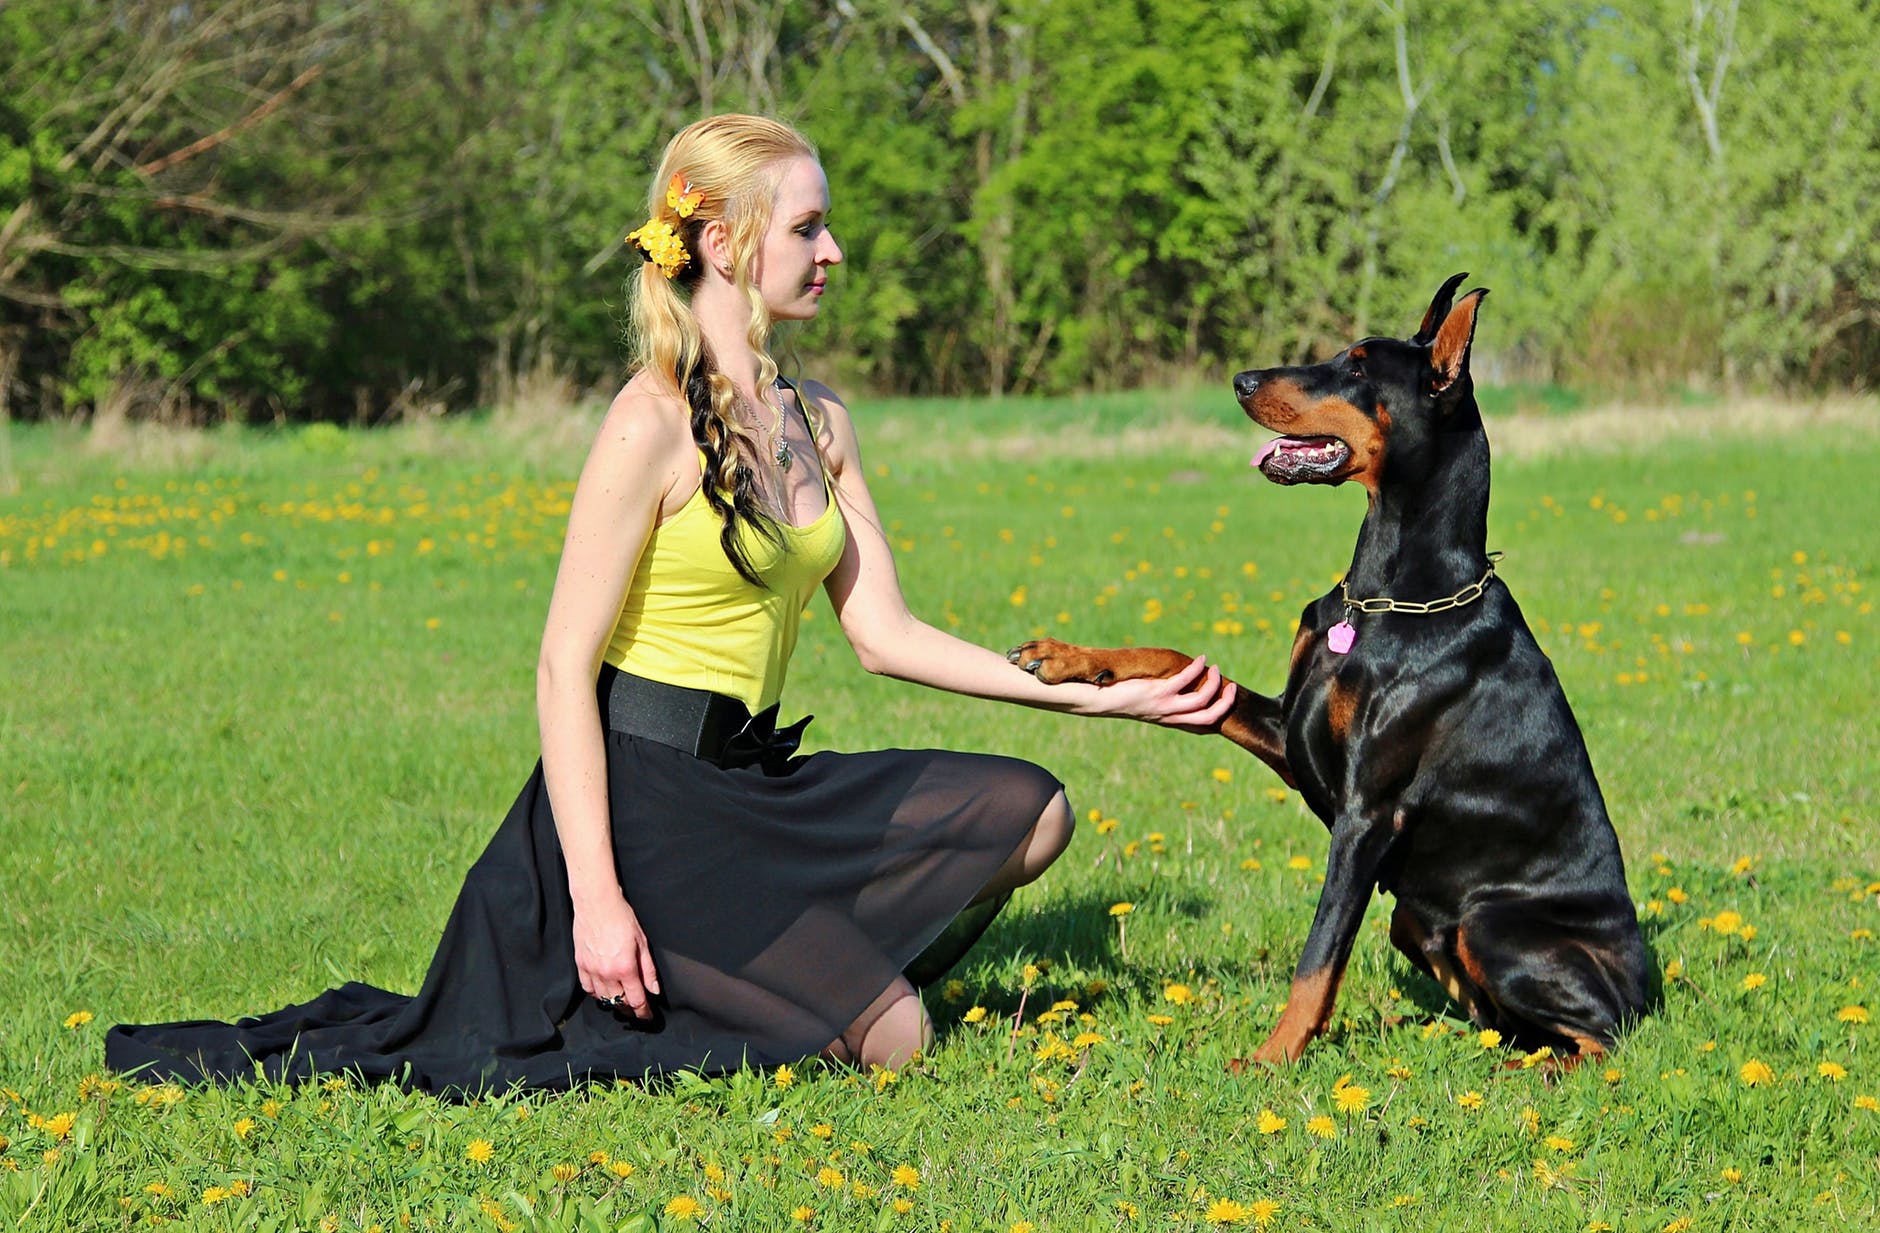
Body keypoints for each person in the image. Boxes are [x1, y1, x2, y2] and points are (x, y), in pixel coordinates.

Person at [105, 114, 1234, 1097]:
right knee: (895, 1040)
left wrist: (1096, 703)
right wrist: (595, 899)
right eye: (806, 229)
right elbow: (561, 668)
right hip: (644, 804)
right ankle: (660, 982)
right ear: (721, 240)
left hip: (752, 781)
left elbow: (882, 635)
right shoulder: (646, 425)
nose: (832, 251)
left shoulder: (820, 420)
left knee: (1033, 810)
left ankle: (776, 957)